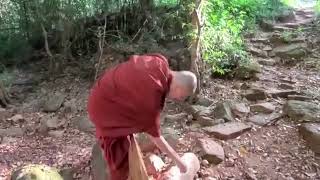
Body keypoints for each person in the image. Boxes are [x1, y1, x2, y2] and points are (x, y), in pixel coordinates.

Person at [87, 53, 197, 180]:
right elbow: (157, 138)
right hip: (102, 107)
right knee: (120, 158)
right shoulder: (150, 103)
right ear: (179, 88)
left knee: (129, 147)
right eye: (182, 96)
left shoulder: (159, 61)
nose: (179, 99)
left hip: (105, 89)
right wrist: (179, 162)